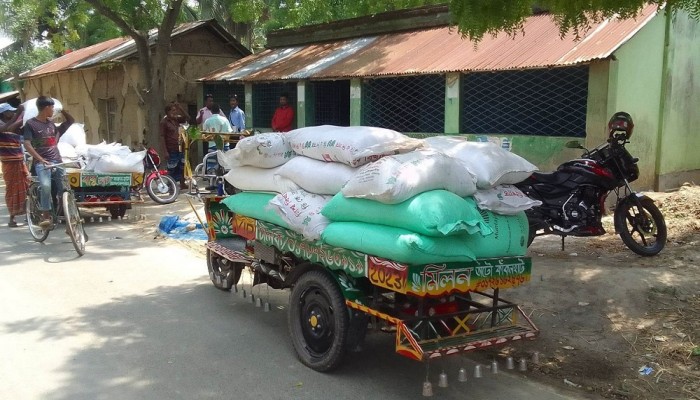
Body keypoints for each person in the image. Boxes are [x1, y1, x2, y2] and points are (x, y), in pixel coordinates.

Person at [23, 96, 75, 229]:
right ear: (46, 108)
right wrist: (40, 159)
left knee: (65, 189)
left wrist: (62, 110)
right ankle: (45, 217)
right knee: (46, 186)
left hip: (57, 161)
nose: (53, 110)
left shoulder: (52, 125)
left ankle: (71, 220)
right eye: (52, 107)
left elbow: (70, 121)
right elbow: (27, 144)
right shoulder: (30, 124)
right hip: (42, 163)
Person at [0, 102, 29, 227]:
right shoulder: (3, 125)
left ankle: (29, 214)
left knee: (27, 186)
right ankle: (12, 217)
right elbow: (5, 129)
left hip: (19, 160)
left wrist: (23, 117)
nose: (12, 113)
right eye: (10, 111)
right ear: (4, 113)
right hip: (9, 162)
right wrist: (19, 114)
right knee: (12, 189)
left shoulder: (14, 126)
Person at [160, 102, 190, 190]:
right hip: (171, 149)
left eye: (175, 110)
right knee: (172, 169)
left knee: (182, 167)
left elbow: (187, 118)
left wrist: (180, 108)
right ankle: (171, 186)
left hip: (180, 147)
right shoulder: (164, 122)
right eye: (173, 111)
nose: (175, 112)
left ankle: (182, 184)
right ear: (167, 112)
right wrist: (165, 151)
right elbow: (162, 137)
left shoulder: (176, 119)